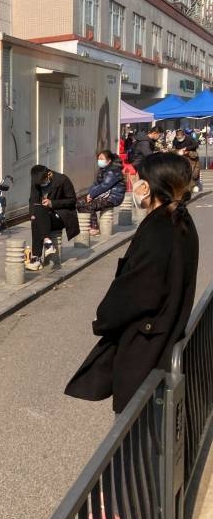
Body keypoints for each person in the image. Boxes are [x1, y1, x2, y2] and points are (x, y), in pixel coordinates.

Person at [65, 153, 198, 413]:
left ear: (147, 186)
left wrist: (103, 318)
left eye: (137, 179)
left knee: (135, 428)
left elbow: (135, 291)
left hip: (145, 346)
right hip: (166, 332)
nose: (134, 184)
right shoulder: (181, 220)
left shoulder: (159, 229)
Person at [25, 165, 80, 271]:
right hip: (44, 215)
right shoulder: (36, 182)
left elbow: (72, 200)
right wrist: (32, 213)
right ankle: (48, 243)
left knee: (38, 217)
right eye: (39, 184)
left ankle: (36, 258)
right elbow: (33, 199)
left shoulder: (63, 180)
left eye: (43, 182)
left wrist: (52, 203)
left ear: (49, 174)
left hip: (62, 215)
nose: (42, 185)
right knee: (37, 215)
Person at [76, 150, 126, 236]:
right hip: (104, 196)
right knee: (79, 202)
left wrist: (91, 195)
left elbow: (104, 186)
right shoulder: (103, 170)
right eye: (98, 158)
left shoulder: (113, 171)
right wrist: (89, 194)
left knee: (87, 204)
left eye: (102, 158)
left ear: (109, 160)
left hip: (112, 198)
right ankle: (89, 226)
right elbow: (96, 184)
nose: (99, 161)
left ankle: (94, 228)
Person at [172, 128, 202, 192]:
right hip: (181, 157)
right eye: (178, 138)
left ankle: (195, 185)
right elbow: (174, 146)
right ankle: (185, 187)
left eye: (180, 138)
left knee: (194, 174)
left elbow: (196, 145)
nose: (179, 139)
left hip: (192, 156)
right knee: (182, 173)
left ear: (184, 136)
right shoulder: (175, 139)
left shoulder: (189, 138)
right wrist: (176, 151)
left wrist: (187, 149)